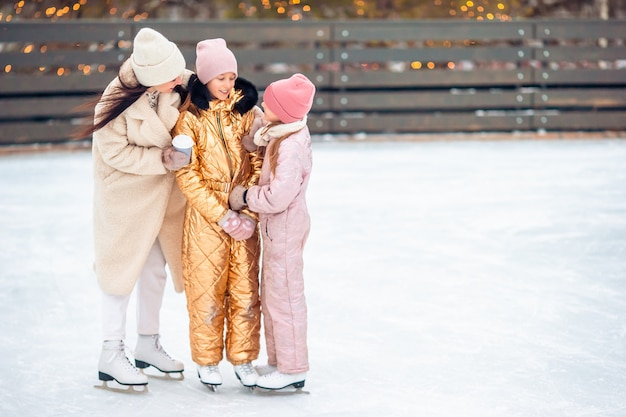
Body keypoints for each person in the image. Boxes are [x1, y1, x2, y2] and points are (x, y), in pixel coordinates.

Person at [86, 27, 192, 390]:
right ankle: (111, 352)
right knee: (119, 273)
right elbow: (114, 152)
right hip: (126, 197)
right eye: (172, 76)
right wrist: (163, 158)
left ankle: (147, 342)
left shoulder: (172, 79)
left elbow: (212, 86)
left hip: (161, 197)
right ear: (150, 78)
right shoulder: (114, 100)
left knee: (155, 269)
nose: (180, 80)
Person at [171, 38, 264, 390]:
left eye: (231, 77)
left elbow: (258, 162)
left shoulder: (247, 113)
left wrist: (249, 212)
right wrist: (221, 214)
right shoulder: (189, 119)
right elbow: (187, 175)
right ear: (205, 78)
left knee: (245, 293)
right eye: (220, 78)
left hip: (244, 218)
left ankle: (244, 358)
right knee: (206, 292)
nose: (227, 85)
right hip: (206, 223)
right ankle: (207, 361)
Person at [228, 73, 316, 390]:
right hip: (279, 230)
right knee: (274, 297)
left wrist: (245, 197)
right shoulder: (282, 135)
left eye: (269, 102)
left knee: (286, 299)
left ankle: (294, 368)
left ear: (284, 110)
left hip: (286, 228)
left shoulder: (291, 146)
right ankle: (280, 362)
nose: (262, 104)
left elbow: (279, 196)